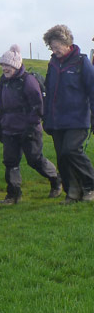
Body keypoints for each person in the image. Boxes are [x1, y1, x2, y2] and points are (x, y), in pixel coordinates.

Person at [0, 44, 62, 205]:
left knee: (34, 160)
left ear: (16, 65)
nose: (5, 68)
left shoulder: (28, 81)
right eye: (3, 65)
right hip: (9, 129)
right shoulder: (3, 82)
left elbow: (38, 107)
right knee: (10, 162)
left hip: (29, 129)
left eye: (8, 65)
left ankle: (55, 180)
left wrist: (30, 127)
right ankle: (13, 195)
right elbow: (1, 106)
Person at [42, 25, 94, 204]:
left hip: (77, 119)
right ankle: (72, 192)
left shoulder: (81, 62)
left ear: (67, 43)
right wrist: (46, 117)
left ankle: (90, 186)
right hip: (56, 120)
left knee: (71, 150)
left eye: (57, 46)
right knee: (62, 157)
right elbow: (48, 91)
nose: (54, 50)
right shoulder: (53, 63)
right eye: (51, 47)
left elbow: (92, 90)